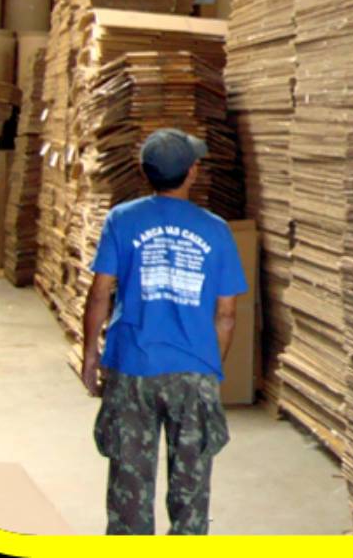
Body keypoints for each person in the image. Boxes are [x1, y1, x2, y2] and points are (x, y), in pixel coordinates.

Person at [82, 128, 248, 535]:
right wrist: (210, 369)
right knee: (191, 492)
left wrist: (90, 356)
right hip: (192, 371)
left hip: (132, 367)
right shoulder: (216, 230)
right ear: (192, 172)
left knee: (129, 487)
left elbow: (100, 292)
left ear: (144, 172)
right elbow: (226, 314)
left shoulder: (122, 220)